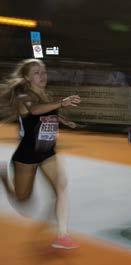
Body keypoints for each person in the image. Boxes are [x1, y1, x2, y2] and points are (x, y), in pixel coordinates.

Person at [0, 59, 81, 249]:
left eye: (43, 71)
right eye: (36, 73)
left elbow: (47, 111)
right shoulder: (23, 97)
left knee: (61, 186)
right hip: (26, 156)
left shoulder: (46, 95)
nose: (42, 75)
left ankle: (62, 235)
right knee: (24, 201)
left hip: (47, 151)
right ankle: (4, 178)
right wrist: (61, 103)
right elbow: (35, 110)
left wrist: (63, 119)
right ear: (27, 77)